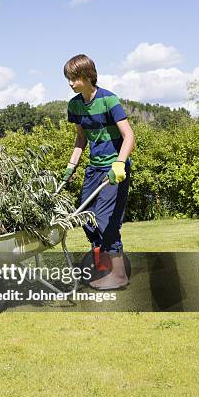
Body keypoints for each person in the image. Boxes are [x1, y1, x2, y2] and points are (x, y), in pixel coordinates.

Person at [62, 53, 135, 290]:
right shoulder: (74, 105)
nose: (71, 83)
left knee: (104, 218)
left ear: (88, 76)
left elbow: (129, 136)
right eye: (69, 78)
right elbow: (81, 138)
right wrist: (70, 167)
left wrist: (120, 163)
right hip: (94, 168)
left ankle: (119, 275)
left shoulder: (109, 100)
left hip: (115, 168)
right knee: (85, 217)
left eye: (75, 78)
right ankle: (103, 263)